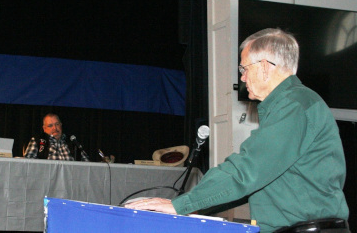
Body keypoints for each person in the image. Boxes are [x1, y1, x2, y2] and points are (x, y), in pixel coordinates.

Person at [125, 28, 349, 232]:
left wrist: (181, 205)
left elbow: (248, 169)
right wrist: (198, 208)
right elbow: (264, 180)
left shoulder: (294, 105)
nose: (241, 77)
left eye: (243, 68)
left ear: (263, 66)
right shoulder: (296, 103)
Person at [24, 113, 89, 161]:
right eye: (50, 125)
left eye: (57, 124)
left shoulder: (71, 141)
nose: (55, 128)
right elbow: (28, 163)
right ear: (44, 129)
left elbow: (86, 162)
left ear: (61, 125)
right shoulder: (37, 141)